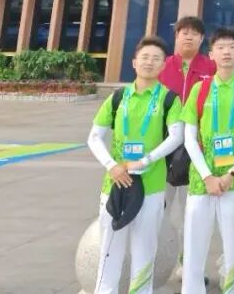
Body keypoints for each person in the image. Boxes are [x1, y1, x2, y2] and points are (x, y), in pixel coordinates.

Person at [87, 36, 185, 294]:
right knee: (109, 250)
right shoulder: (118, 97)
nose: (149, 63)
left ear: (163, 65)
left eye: (156, 59)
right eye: (144, 57)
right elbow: (94, 137)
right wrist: (112, 166)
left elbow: (177, 137)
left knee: (145, 251)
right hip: (115, 184)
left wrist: (145, 161)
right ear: (134, 62)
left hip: (151, 187)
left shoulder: (169, 99)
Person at [180, 27, 234, 294]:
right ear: (211, 54)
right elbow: (189, 138)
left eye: (232, 47)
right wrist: (207, 176)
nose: (226, 52)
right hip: (201, 181)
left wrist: (233, 173)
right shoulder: (200, 89)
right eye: (220, 47)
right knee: (194, 245)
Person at [158, 15, 216, 273]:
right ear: (176, 36)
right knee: (159, 209)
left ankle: (188, 267)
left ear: (202, 39)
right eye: (184, 32)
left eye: (195, 33)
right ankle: (155, 264)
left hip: (197, 150)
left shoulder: (211, 68)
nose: (189, 37)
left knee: (190, 213)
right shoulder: (163, 66)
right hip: (162, 148)